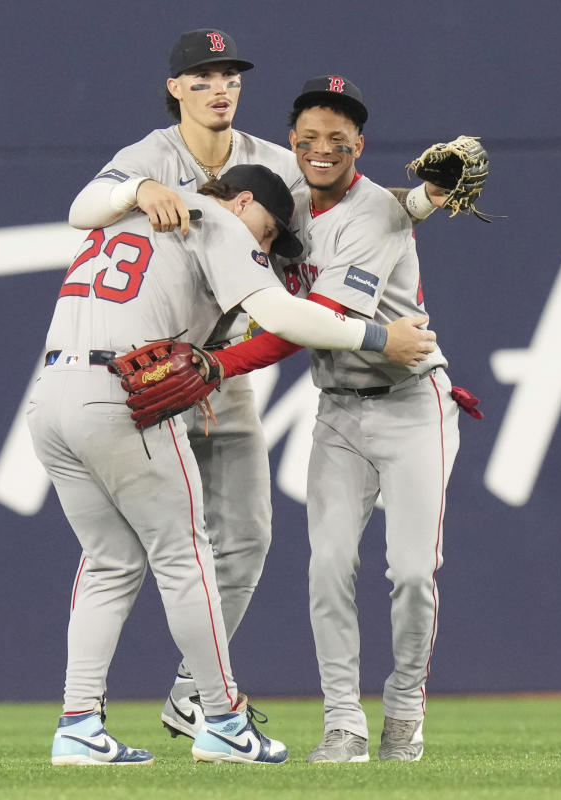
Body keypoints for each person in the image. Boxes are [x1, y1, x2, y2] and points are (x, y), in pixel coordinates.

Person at [67, 27, 447, 740]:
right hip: (156, 372)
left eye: (230, 76)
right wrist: (140, 187)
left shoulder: (273, 162)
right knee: (143, 552)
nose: (220, 87)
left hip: (222, 364)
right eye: (204, 76)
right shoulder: (148, 157)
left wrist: (422, 201)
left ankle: (183, 698)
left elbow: (350, 201)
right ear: (176, 88)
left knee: (247, 539)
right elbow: (82, 207)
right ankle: (154, 713)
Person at [210, 76, 463, 762]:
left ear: (360, 145)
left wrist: (217, 366)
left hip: (413, 407)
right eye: (311, 137)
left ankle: (405, 708)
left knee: (412, 573)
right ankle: (344, 722)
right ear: (293, 141)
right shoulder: (286, 197)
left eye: (339, 138)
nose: (324, 148)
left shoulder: (373, 213)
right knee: (327, 569)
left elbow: (316, 325)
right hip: (340, 413)